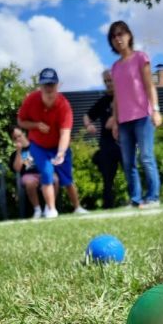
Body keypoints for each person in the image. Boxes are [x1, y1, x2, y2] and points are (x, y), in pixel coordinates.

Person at [17, 67, 88, 219]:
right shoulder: (31, 100)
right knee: (47, 173)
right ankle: (51, 209)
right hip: (38, 146)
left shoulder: (64, 106)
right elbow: (21, 121)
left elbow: (65, 132)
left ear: (58, 85)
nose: (49, 88)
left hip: (59, 146)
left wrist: (61, 152)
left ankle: (77, 207)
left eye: (52, 84)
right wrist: (36, 125)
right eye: (45, 84)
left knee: (67, 178)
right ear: (40, 86)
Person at [108, 20, 162, 209]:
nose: (118, 39)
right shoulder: (114, 67)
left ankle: (153, 197)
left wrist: (155, 110)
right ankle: (135, 199)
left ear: (129, 35)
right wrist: (114, 121)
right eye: (114, 36)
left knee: (146, 157)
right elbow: (116, 96)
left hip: (142, 117)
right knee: (128, 162)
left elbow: (149, 86)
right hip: (123, 121)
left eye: (121, 34)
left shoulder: (141, 57)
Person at [84, 72, 123, 209]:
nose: (108, 83)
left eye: (111, 80)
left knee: (130, 171)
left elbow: (111, 123)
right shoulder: (102, 101)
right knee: (107, 178)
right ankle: (108, 207)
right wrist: (88, 125)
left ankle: (136, 200)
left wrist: (114, 119)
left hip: (124, 142)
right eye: (106, 81)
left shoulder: (124, 97)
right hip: (107, 144)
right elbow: (87, 116)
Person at [10, 124, 59, 219]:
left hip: (42, 172)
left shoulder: (37, 146)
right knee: (30, 183)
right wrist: (19, 151)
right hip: (28, 175)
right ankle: (37, 210)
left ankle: (49, 207)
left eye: (19, 136)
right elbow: (17, 169)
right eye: (15, 138)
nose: (19, 139)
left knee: (55, 179)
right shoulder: (16, 154)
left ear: (24, 133)